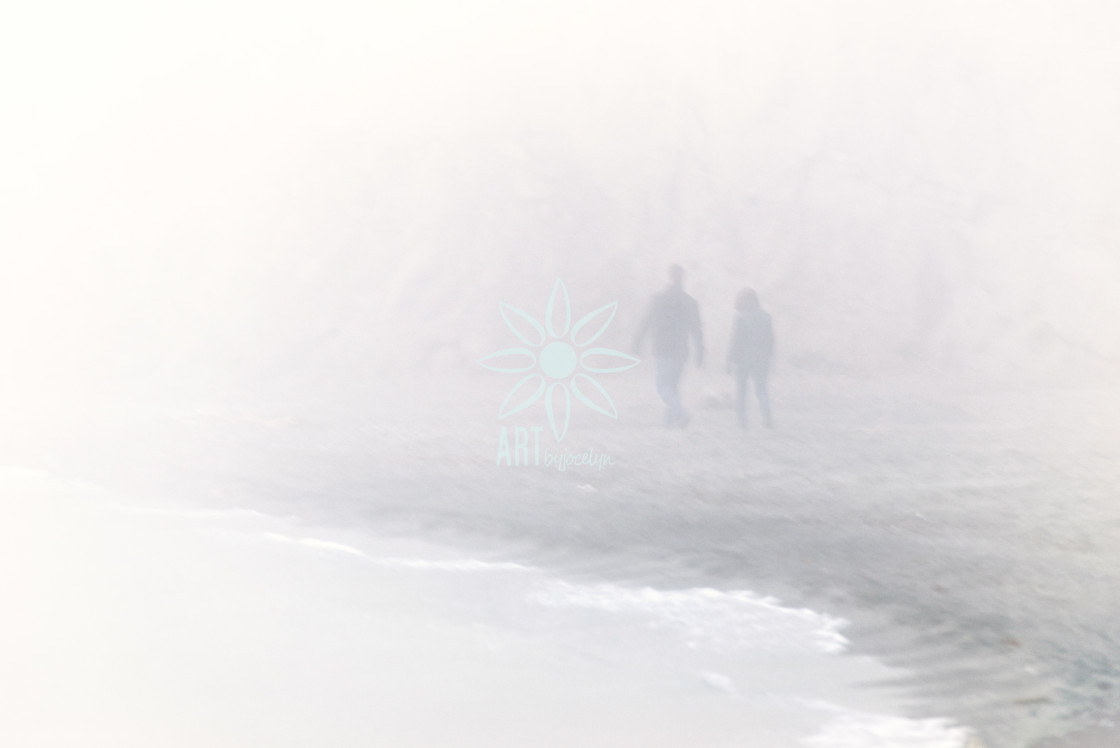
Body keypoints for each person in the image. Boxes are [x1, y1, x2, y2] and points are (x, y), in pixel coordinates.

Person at [633, 264, 704, 428]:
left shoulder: (658, 299)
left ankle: (681, 414)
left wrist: (637, 342)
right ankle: (670, 421)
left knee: (663, 386)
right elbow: (697, 329)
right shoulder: (690, 302)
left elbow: (646, 321)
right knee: (673, 387)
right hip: (681, 350)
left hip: (663, 349)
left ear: (669, 277)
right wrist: (700, 351)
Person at [726, 288, 774, 429]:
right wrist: (769, 357)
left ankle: (742, 421)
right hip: (762, 359)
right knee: (762, 390)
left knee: (741, 390)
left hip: (743, 359)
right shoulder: (766, 317)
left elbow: (735, 340)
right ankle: (767, 417)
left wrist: (729, 360)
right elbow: (771, 340)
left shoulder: (740, 317)